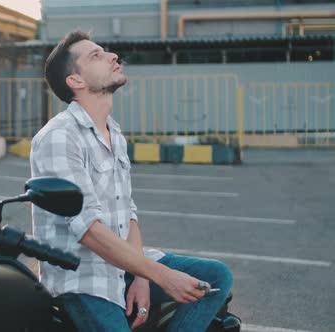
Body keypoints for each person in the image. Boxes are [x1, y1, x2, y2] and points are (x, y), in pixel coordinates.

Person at [30, 31, 233, 332]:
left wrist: (142, 276)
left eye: (106, 52)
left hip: (123, 266)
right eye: (96, 56)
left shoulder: (115, 135)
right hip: (84, 278)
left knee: (215, 279)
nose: (113, 57)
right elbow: (88, 231)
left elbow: (129, 214)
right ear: (76, 81)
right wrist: (161, 275)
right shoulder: (59, 136)